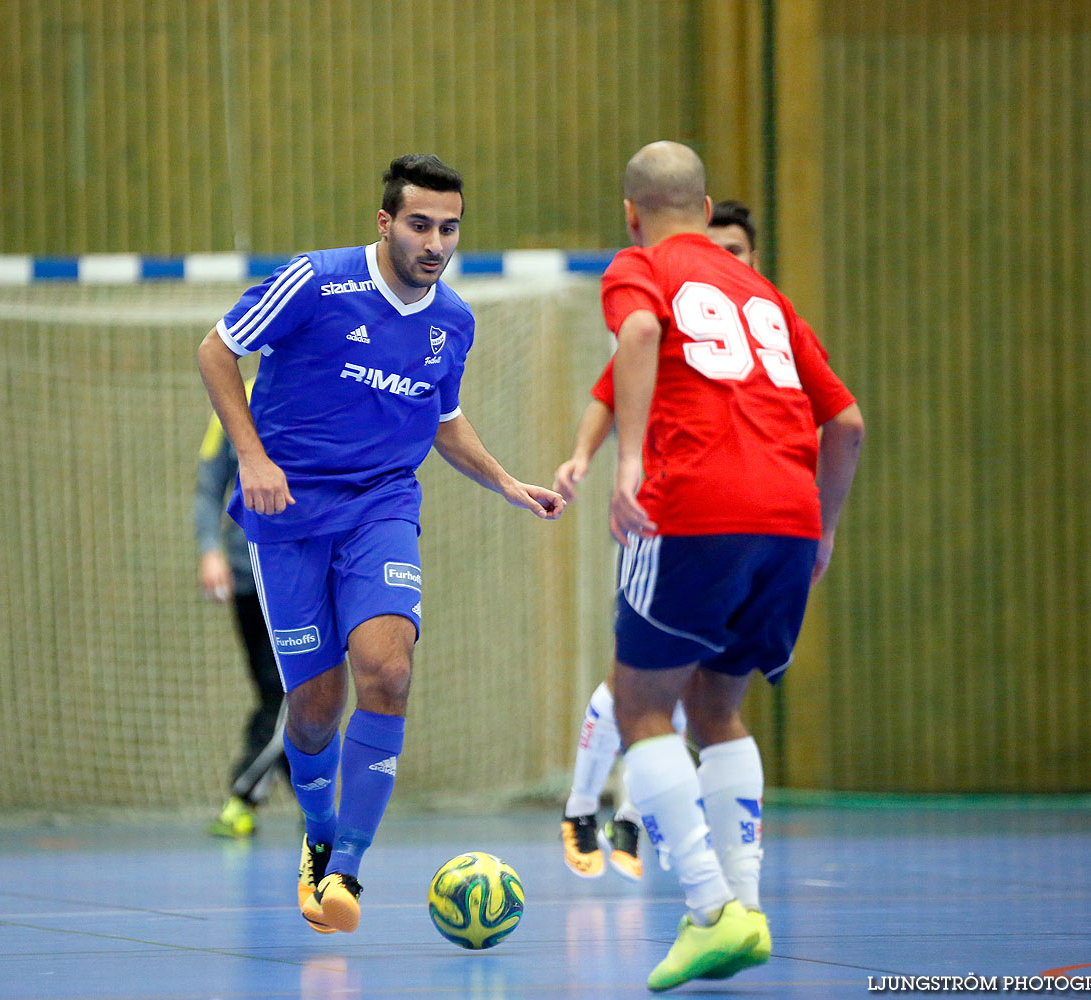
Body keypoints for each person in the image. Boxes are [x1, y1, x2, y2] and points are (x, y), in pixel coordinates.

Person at [196, 154, 565, 935]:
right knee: (315, 708)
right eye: (421, 224)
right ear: (386, 222)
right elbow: (215, 350)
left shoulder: (453, 322)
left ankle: (348, 871)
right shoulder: (317, 282)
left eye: (450, 227)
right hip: (289, 511)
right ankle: (318, 833)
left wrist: (503, 479)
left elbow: (441, 419)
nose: (436, 242)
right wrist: (254, 458)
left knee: (387, 673)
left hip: (382, 507)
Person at [602, 141, 864, 990]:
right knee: (719, 708)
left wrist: (627, 464)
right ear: (709, 207)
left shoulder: (643, 267)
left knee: (641, 706)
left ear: (632, 213)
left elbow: (639, 329)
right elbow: (848, 422)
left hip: (697, 508)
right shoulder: (766, 293)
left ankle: (711, 907)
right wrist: (821, 529)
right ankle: (746, 908)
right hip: (788, 518)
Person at [555, 200, 761, 882]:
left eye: (739, 251)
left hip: (752, 522)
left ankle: (641, 819)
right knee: (643, 677)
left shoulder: (767, 324)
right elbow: (614, 387)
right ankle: (589, 806)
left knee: (707, 693)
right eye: (717, 246)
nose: (726, 260)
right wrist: (590, 458)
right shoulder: (667, 306)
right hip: (670, 512)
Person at [194, 381, 292, 839]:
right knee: (277, 692)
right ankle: (314, 803)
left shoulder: (328, 383)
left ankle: (243, 795)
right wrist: (209, 549)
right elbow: (209, 484)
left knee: (291, 691)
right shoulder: (236, 398)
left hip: (300, 573)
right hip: (246, 571)